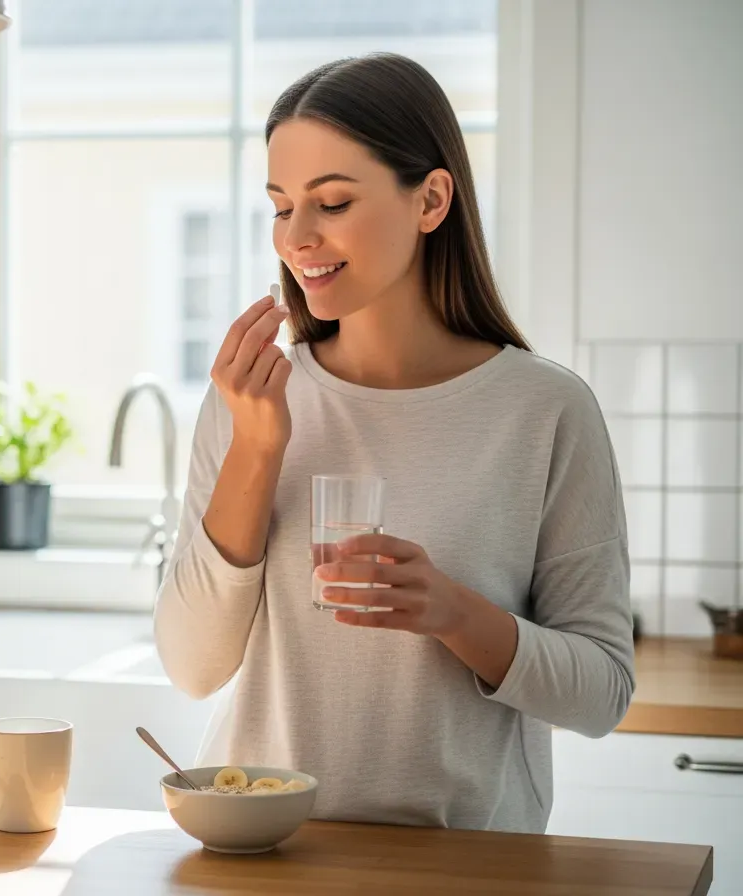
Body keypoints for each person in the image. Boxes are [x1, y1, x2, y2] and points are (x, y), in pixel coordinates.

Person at [153, 52, 634, 834]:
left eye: (332, 202)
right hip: (267, 851)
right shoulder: (251, 397)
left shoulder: (546, 410)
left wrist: (454, 612)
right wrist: (257, 449)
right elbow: (192, 666)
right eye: (281, 207)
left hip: (466, 862)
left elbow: (602, 693)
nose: (296, 238)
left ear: (431, 200)